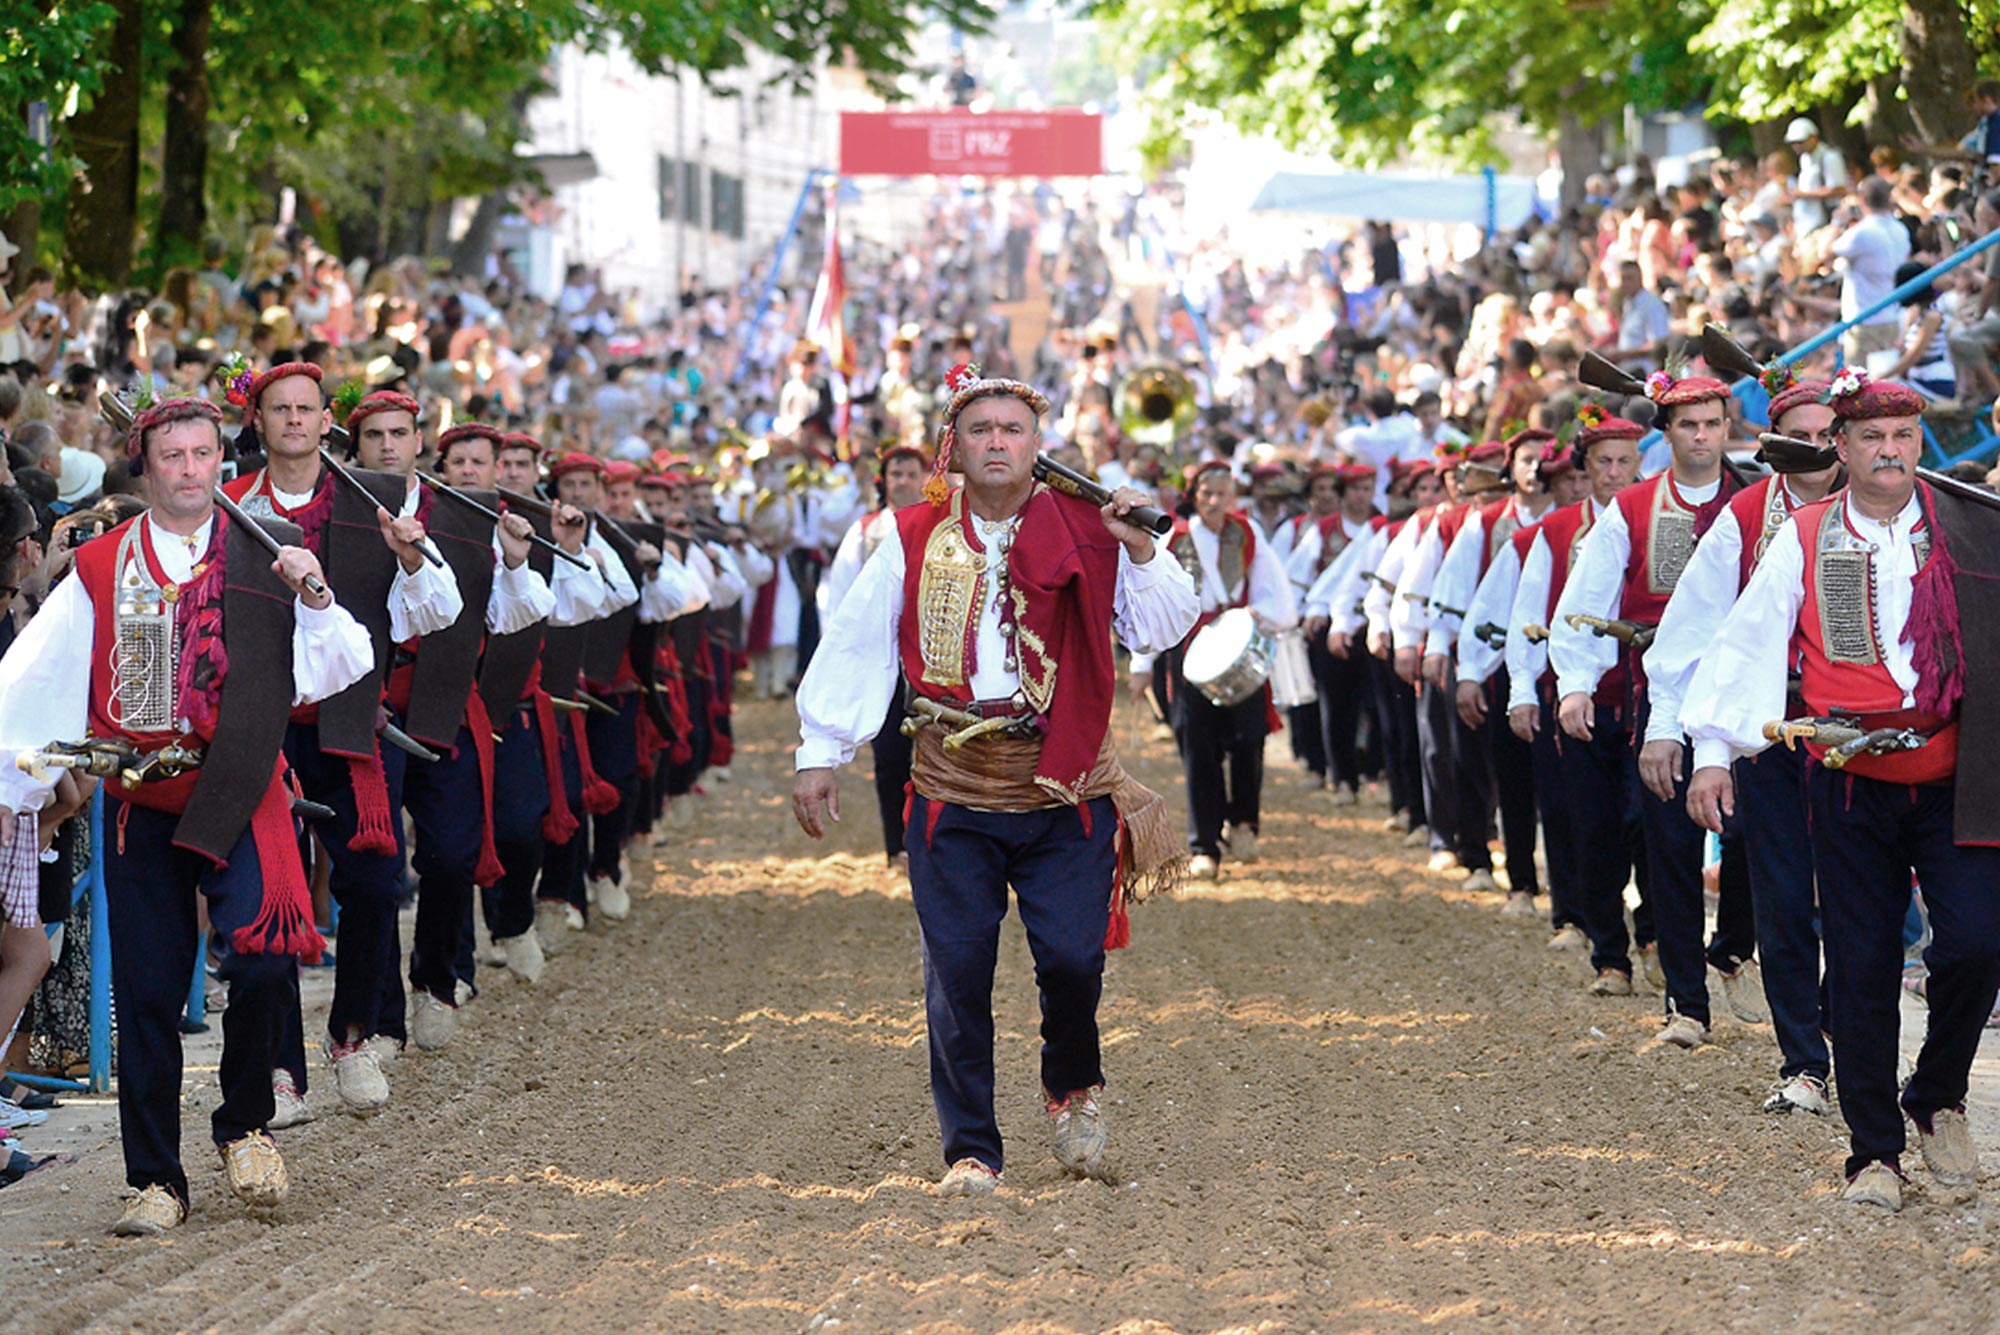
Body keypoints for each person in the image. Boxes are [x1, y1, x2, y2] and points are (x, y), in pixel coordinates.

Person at [793, 363, 1198, 1195]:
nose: (997, 442)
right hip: (951, 788)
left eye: (1012, 429)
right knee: (957, 971)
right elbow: (858, 642)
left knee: (1074, 962)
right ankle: (971, 1149)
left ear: (1038, 445)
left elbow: (1164, 624)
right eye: (981, 430)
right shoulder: (909, 535)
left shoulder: (1094, 530)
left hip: (1067, 790)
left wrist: (1142, 548)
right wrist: (819, 750)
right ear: (957, 446)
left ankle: (1072, 1085)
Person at [0, 397, 372, 1234]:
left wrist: (310, 595)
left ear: (218, 459)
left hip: (242, 786)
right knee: (151, 991)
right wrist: (8, 787)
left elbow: (340, 662)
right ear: (147, 463)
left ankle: (244, 1123)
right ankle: (155, 1181)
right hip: (143, 798)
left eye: (203, 452)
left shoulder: (265, 553)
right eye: (173, 455)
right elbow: (33, 683)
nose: (190, 469)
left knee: (269, 962)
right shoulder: (100, 566)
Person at [1681, 375, 2000, 1211]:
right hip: (1850, 781)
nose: (1889, 451)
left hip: (1956, 779)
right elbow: (1746, 641)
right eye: (1871, 438)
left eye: (1902, 436)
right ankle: (1875, 1154)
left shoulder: (1969, 525)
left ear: (1919, 441)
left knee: (1977, 943)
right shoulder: (1806, 534)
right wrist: (1713, 749)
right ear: (1843, 449)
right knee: (1859, 966)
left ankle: (1934, 1094)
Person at [223, 362, 462, 1114]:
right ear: (257, 420)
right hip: (259, 727)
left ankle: (351, 1035)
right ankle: (279, 1072)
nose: (294, 420)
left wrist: (410, 553)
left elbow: (438, 611)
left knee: (372, 883)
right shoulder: (229, 505)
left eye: (306, 409)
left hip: (351, 721)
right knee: (273, 898)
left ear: (329, 419)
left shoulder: (377, 500)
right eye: (279, 408)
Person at [1642, 369, 1842, 1112]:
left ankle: (1841, 1034)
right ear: (1777, 438)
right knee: (1784, 898)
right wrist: (1695, 743)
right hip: (1770, 731)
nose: (1819, 449)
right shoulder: (1747, 514)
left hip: (1862, 736)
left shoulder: (1885, 514)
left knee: (1857, 900)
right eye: (1806, 434)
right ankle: (1804, 1062)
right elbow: (1693, 634)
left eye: (1831, 435)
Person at [1554, 370, 1750, 1049]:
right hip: (1662, 692)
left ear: (1729, 428)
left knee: (1754, 837)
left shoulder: (1754, 502)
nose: (1701, 436)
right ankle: (1686, 1003)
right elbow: (1587, 596)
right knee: (1668, 845)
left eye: (1712, 423)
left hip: (1743, 693)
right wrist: (1576, 679)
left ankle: (1731, 946)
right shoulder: (1633, 507)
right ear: (1667, 434)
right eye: (1688, 425)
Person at [1508, 410, 1643, 967]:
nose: (1613, 474)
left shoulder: (1659, 521)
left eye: (1624, 462)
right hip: (1583, 698)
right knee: (1591, 825)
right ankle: (1606, 948)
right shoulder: (1557, 531)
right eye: (1602, 463)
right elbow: (1528, 610)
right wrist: (1523, 687)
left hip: (1645, 699)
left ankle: (1655, 934)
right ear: (1584, 469)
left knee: (1647, 824)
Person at [1139, 458, 1299, 879]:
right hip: (1191, 648)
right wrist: (1143, 661)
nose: (1214, 501)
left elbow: (1272, 587)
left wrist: (1263, 616)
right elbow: (1151, 595)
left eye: (1222, 493)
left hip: (1236, 640)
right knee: (1199, 747)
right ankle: (1204, 843)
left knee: (1250, 738)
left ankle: (1245, 821)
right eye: (1207, 494)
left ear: (1234, 497)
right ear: (1195, 496)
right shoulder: (1174, 537)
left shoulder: (1248, 534)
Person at [823, 442, 932, 871]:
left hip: (932, 658)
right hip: (884, 659)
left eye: (911, 474)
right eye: (896, 475)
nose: (903, 482)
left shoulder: (943, 525)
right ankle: (898, 844)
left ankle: (935, 840)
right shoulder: (864, 530)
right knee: (889, 756)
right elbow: (839, 598)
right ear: (883, 482)